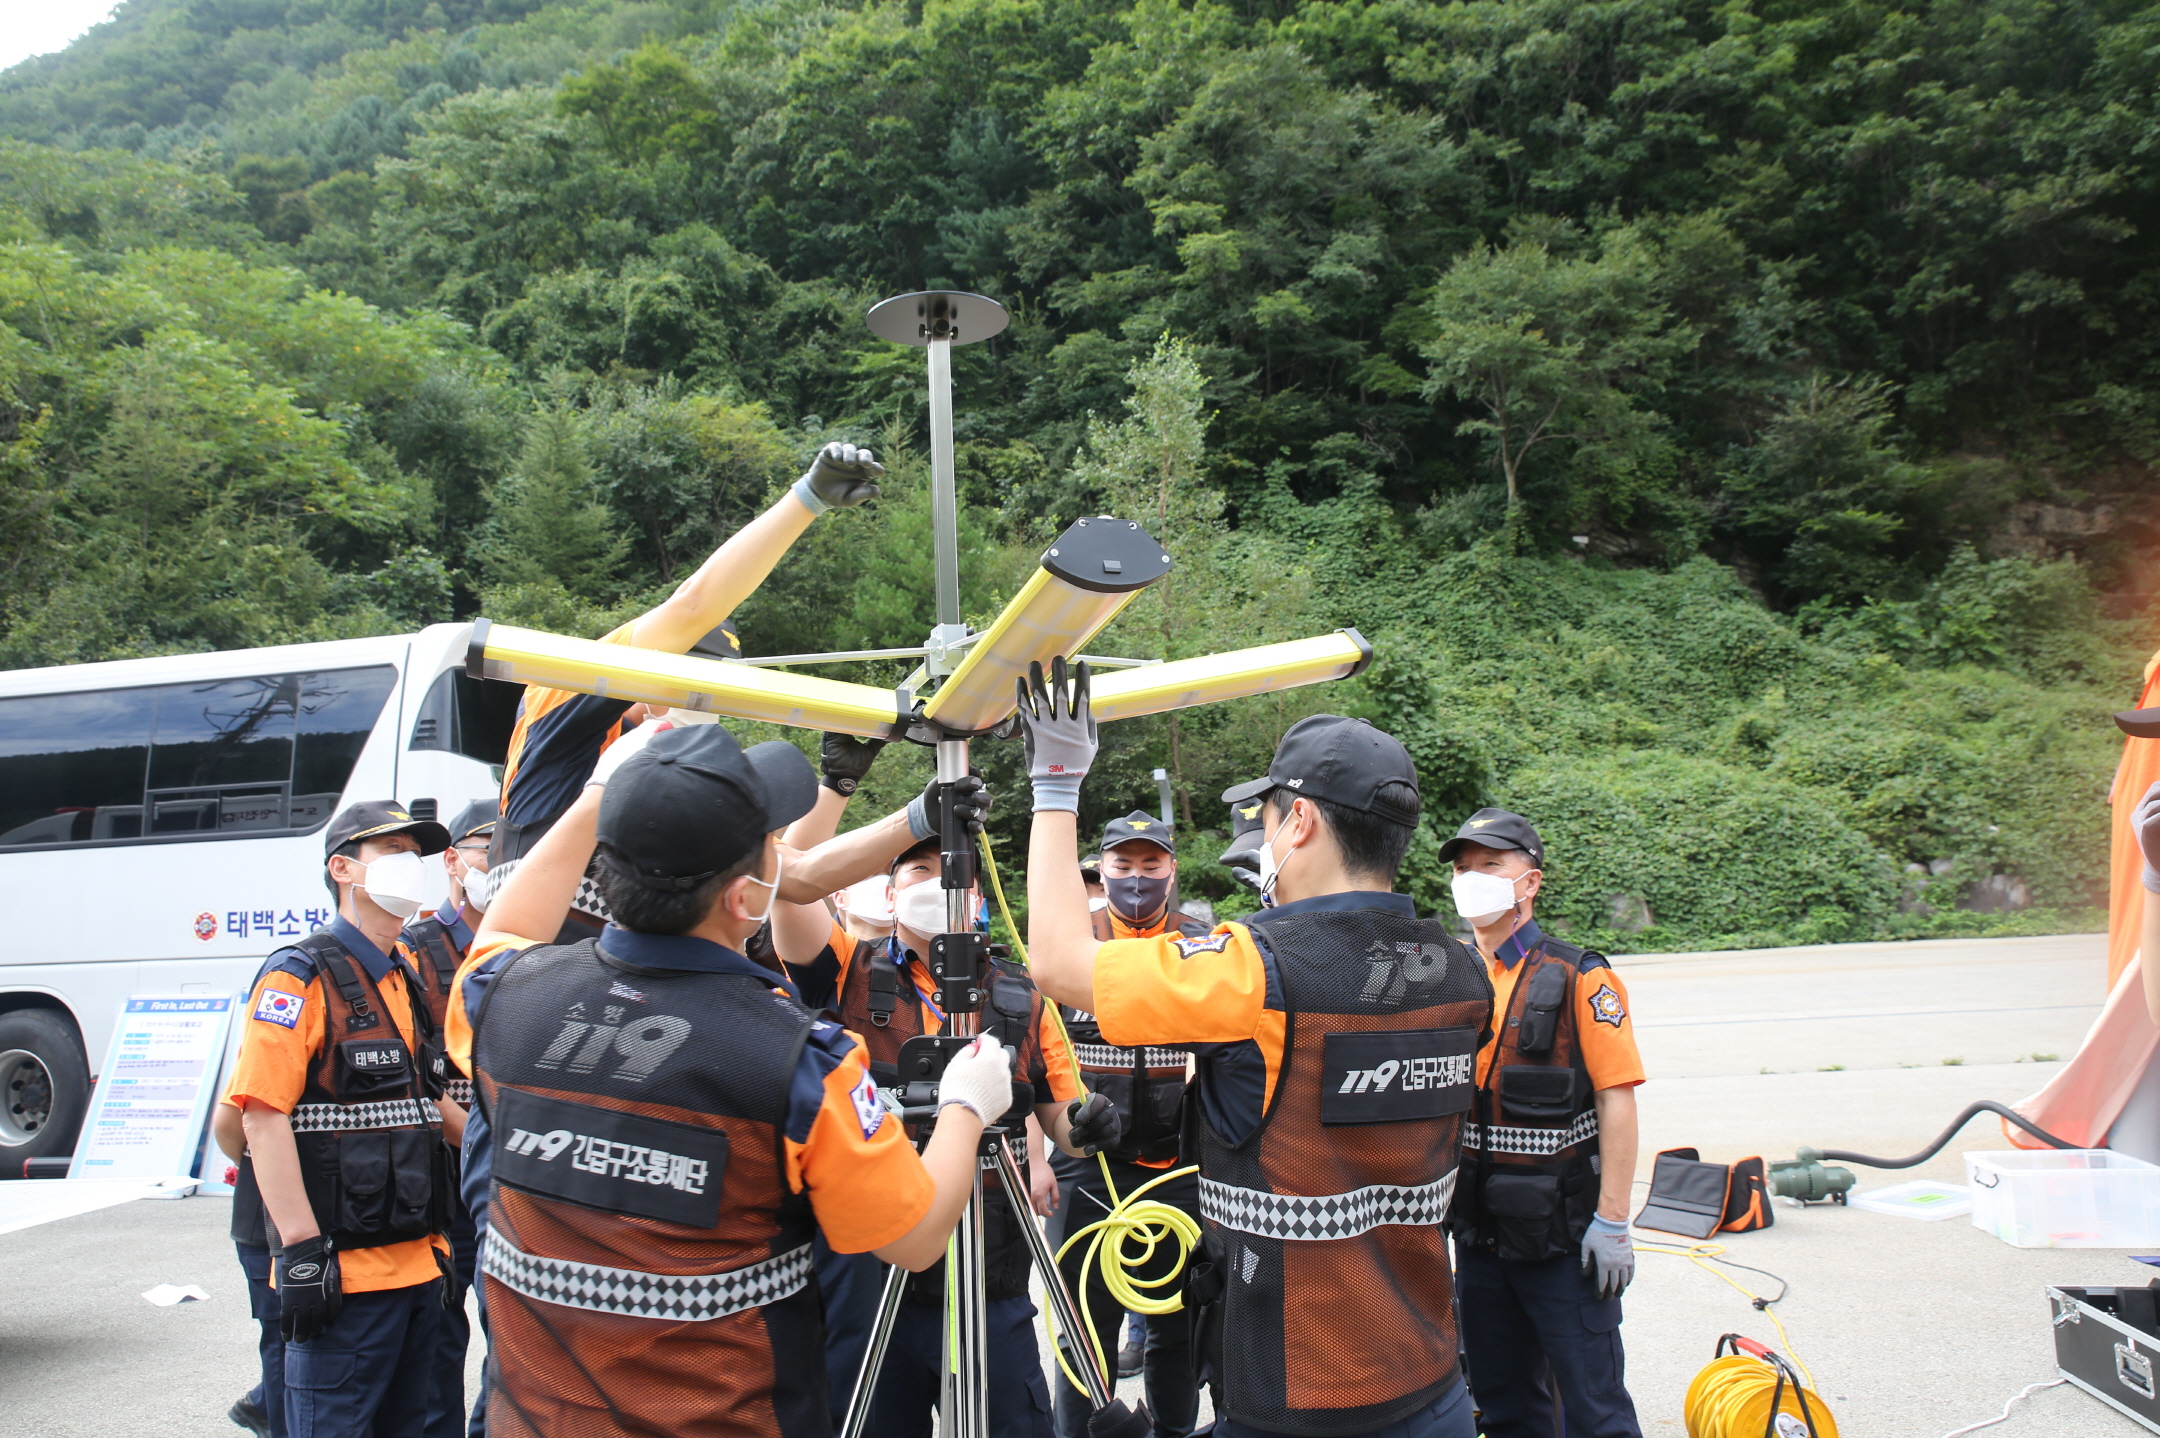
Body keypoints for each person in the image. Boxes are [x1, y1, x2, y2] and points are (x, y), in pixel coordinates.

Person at [452, 722, 1016, 1436]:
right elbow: (914, 1237)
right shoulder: (800, 1062)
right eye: (774, 843)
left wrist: (599, 795)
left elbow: (505, 927)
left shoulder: (504, 996)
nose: (787, 856)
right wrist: (966, 1105)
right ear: (745, 899)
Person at [1019, 662, 1494, 1438]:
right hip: (1429, 1380)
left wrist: (1056, 786)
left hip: (1293, 1392)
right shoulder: (1463, 972)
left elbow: (1057, 963)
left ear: (1298, 823)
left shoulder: (1253, 971)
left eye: (1266, 819)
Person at [487, 441, 886, 935]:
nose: (698, 701)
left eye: (713, 689)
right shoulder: (559, 701)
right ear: (650, 663)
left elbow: (800, 876)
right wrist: (807, 499)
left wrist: (906, 814)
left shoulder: (689, 782)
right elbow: (693, 606)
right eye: (689, 678)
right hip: (530, 972)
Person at [222, 801, 461, 1438]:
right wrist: (301, 1253)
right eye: (392, 852)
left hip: (420, 1268)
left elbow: (425, 1101)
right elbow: (261, 1118)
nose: (411, 866)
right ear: (343, 868)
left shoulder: (402, 976)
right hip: (345, 1278)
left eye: (417, 854)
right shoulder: (299, 975)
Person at [1439, 808, 1644, 1438]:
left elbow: (1616, 1099)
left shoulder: (1580, 976)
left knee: (1595, 1410)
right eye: (1463, 868)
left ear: (1529, 883)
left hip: (1564, 1242)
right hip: (1479, 1242)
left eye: (1490, 865)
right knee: (1504, 1408)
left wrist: (1613, 1221)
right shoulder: (1444, 975)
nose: (1472, 878)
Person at [1049, 814, 1207, 1438]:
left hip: (1180, 1168)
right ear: (1102, 869)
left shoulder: (1204, 946)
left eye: (1150, 865)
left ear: (1171, 870)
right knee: (1084, 1329)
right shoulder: (1072, 944)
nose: (1136, 878)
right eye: (1123, 865)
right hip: (1088, 1165)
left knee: (1177, 1321)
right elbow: (1036, 1058)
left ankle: (1172, 1430)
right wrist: (1037, 1157)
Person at [396, 801, 497, 1438]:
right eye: (490, 847)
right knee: (437, 1339)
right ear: (454, 861)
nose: (505, 861)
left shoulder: (542, 947)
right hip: (442, 1175)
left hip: (506, 1175)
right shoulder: (415, 950)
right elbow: (411, 1077)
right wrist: (486, 1142)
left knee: (514, 1333)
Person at [212, 1099, 279, 1438]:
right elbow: (227, 1126)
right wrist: (262, 1161)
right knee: (286, 1335)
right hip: (267, 1224)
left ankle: (264, 1404)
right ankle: (271, 1413)